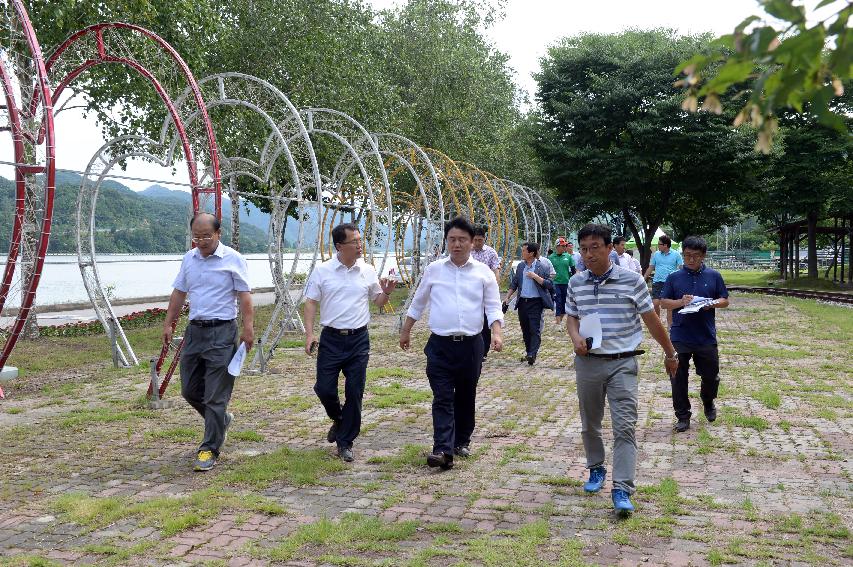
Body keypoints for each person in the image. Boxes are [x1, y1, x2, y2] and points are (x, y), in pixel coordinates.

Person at [566, 223, 679, 515]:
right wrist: (576, 338)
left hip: (623, 363)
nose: (589, 254)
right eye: (584, 248)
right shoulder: (576, 282)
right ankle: (596, 468)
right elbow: (572, 318)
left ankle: (622, 488)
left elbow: (652, 320)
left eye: (595, 248)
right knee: (590, 423)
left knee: (625, 426)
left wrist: (670, 353)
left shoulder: (632, 281)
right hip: (588, 363)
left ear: (609, 248)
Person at [400, 216, 503, 470]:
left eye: (462, 240)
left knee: (466, 395)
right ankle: (442, 449)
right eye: (452, 240)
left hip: (471, 345)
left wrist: (497, 333)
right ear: (446, 241)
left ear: (471, 243)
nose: (456, 245)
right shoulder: (434, 269)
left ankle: (462, 440)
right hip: (440, 346)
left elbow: (492, 306)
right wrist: (406, 331)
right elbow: (419, 302)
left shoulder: (484, 272)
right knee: (443, 396)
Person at [162, 213, 254, 472]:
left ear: (218, 234)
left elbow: (245, 297)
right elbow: (179, 292)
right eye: (196, 236)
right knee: (189, 390)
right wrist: (169, 323)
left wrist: (248, 330)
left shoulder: (234, 259)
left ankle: (209, 448)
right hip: (195, 332)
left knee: (215, 395)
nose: (200, 241)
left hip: (222, 333)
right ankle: (221, 420)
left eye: (206, 236)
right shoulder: (189, 259)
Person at [303, 223, 396, 462]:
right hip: (331, 339)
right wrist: (309, 334)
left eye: (360, 240)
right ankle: (339, 418)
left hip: (358, 340)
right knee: (323, 388)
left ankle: (345, 442)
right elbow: (311, 302)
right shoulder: (323, 271)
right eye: (354, 241)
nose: (359, 245)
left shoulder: (367, 270)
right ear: (339, 246)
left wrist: (386, 293)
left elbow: (377, 300)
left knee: (355, 392)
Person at [659, 236, 730, 432]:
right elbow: (664, 302)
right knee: (677, 376)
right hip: (680, 334)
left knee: (711, 376)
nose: (690, 260)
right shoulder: (674, 277)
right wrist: (681, 302)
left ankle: (708, 401)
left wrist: (711, 303)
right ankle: (682, 415)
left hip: (705, 335)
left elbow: (724, 300)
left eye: (695, 256)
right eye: (687, 255)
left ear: (703, 256)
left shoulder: (714, 276)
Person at [503, 242, 554, 365]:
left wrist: (536, 277)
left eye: (524, 250)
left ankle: (533, 353)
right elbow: (514, 283)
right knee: (525, 329)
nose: (522, 253)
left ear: (531, 253)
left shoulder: (542, 267)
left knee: (534, 329)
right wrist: (507, 297)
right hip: (523, 302)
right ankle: (529, 352)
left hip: (536, 302)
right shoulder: (521, 266)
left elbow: (550, 285)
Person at [471, 225, 501, 361]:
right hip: (469, 291)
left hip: (485, 291)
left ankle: (483, 351)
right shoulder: (467, 251)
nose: (477, 243)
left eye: (480, 240)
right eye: (475, 240)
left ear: (484, 239)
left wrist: (495, 286)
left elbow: (496, 270)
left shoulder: (490, 252)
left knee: (485, 322)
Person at [643, 235, 683, 327]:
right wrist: (644, 277)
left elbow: (681, 268)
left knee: (669, 305)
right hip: (657, 281)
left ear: (665, 245)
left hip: (670, 283)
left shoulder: (676, 254)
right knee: (655, 303)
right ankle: (658, 324)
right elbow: (651, 267)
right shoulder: (656, 254)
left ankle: (670, 325)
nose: (658, 246)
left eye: (659, 244)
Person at [548, 237, 575, 326]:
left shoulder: (568, 256)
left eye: (565, 246)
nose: (564, 248)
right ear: (557, 246)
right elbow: (547, 271)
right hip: (555, 283)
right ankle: (559, 323)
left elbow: (573, 269)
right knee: (558, 301)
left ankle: (558, 320)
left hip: (566, 282)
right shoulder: (551, 257)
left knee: (564, 303)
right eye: (563, 246)